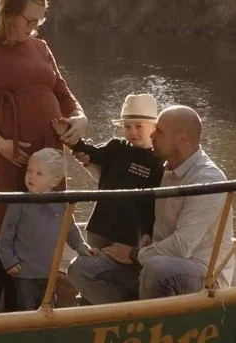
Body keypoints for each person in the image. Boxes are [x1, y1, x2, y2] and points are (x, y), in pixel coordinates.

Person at [0, 0, 82, 314]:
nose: (34, 27)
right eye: (29, 20)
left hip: (44, 155)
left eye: (39, 21)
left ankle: (25, 315)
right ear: (8, 13)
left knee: (39, 234)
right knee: (0, 237)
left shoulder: (40, 48)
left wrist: (78, 119)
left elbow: (63, 93)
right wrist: (2, 146)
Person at [65, 92, 165, 305]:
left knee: (123, 275)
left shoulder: (159, 162)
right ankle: (89, 306)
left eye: (139, 126)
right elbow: (89, 152)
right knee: (90, 274)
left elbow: (152, 203)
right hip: (99, 229)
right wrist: (70, 138)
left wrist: (146, 231)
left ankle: (124, 308)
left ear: (154, 127)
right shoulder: (116, 147)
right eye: (127, 126)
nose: (132, 132)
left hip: (130, 236)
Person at [137, 104, 233, 299]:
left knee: (156, 269)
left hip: (205, 275)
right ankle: (125, 317)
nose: (152, 136)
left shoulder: (207, 179)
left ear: (182, 138)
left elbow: (182, 247)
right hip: (162, 262)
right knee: (84, 268)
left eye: (159, 132)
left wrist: (134, 255)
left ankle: (151, 324)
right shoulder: (167, 168)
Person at [0, 147, 73, 311]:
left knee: (48, 307)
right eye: (29, 171)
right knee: (26, 307)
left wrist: (81, 247)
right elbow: (6, 235)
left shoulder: (61, 202)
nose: (31, 177)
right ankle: (27, 335)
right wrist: (9, 261)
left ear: (54, 181)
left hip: (50, 271)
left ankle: (47, 336)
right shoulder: (19, 203)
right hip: (25, 272)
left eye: (39, 174)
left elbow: (70, 228)